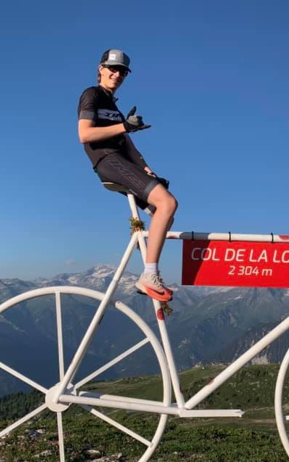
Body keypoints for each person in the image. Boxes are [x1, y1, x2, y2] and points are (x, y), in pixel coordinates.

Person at [78, 49, 177, 302]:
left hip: (122, 160)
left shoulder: (113, 106)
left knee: (164, 215)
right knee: (167, 203)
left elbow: (129, 147)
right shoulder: (92, 95)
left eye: (122, 71)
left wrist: (146, 169)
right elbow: (85, 135)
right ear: (100, 68)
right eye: (112, 68)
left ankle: (146, 263)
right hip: (107, 160)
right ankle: (149, 275)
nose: (117, 74)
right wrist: (124, 127)